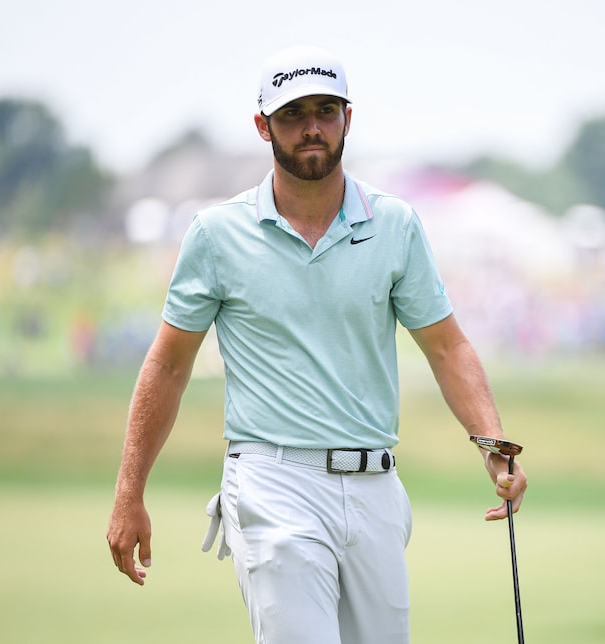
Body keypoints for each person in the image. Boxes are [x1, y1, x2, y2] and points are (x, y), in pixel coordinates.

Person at [106, 45, 527, 644]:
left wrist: (490, 441)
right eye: (292, 114)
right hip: (271, 481)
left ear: (347, 119)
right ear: (263, 127)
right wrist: (129, 494)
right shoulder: (216, 234)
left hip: (376, 483)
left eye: (326, 110)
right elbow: (169, 367)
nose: (311, 128)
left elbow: (446, 346)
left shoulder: (396, 225)